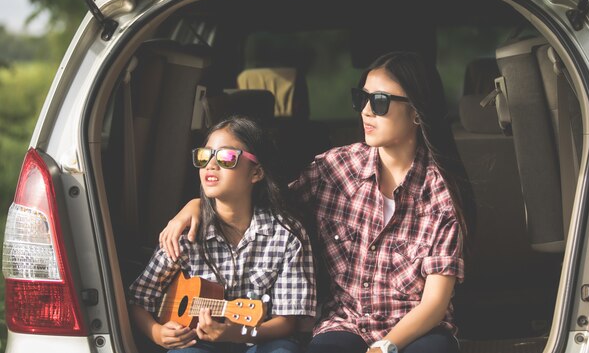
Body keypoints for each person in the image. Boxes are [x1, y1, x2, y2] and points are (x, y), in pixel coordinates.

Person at [160, 52, 475, 353]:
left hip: (416, 328)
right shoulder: (335, 168)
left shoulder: (440, 192)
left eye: (379, 102)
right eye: (361, 98)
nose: (365, 110)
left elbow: (434, 304)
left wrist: (384, 346)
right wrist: (198, 204)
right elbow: (263, 203)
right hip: (344, 322)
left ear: (417, 112)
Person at [129, 116, 316, 353]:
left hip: (262, 338)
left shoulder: (286, 234)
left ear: (256, 173)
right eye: (204, 156)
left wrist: (237, 334)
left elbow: (287, 322)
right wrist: (156, 332)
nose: (211, 165)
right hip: (198, 341)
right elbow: (139, 298)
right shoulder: (186, 232)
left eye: (226, 157)